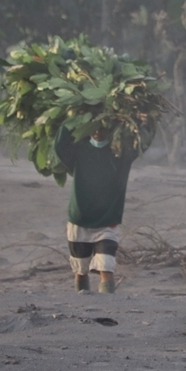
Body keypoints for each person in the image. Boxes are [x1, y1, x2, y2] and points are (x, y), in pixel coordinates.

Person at [54, 123, 137, 294]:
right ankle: (82, 304)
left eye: (103, 127)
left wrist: (140, 122)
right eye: (94, 127)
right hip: (79, 219)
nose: (98, 132)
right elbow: (60, 146)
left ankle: (107, 306)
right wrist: (71, 119)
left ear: (111, 130)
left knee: (106, 268)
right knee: (81, 270)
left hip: (108, 221)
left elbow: (138, 144)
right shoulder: (79, 150)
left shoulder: (120, 154)